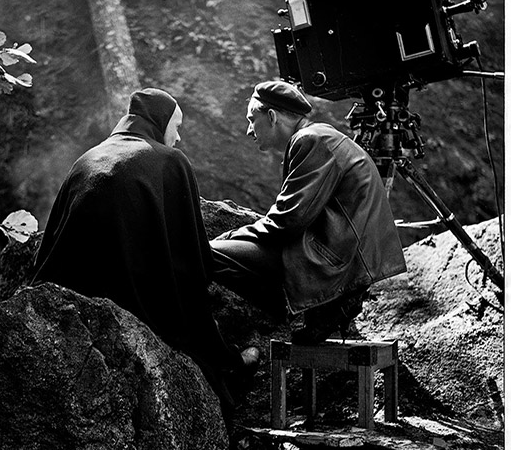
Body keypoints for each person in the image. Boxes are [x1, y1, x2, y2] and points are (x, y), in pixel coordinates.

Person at [32, 87, 256, 417]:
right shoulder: (170, 162)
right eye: (176, 127)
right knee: (189, 303)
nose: (178, 138)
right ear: (159, 122)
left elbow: (49, 248)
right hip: (138, 308)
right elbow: (191, 259)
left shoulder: (86, 160)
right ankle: (229, 362)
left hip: (69, 302)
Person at [210, 80, 407, 343]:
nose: (249, 130)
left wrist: (232, 235)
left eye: (252, 120)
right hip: (344, 254)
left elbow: (288, 221)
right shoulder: (320, 136)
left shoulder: (310, 140)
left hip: (335, 259)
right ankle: (317, 308)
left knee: (205, 253)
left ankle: (312, 307)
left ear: (272, 116)